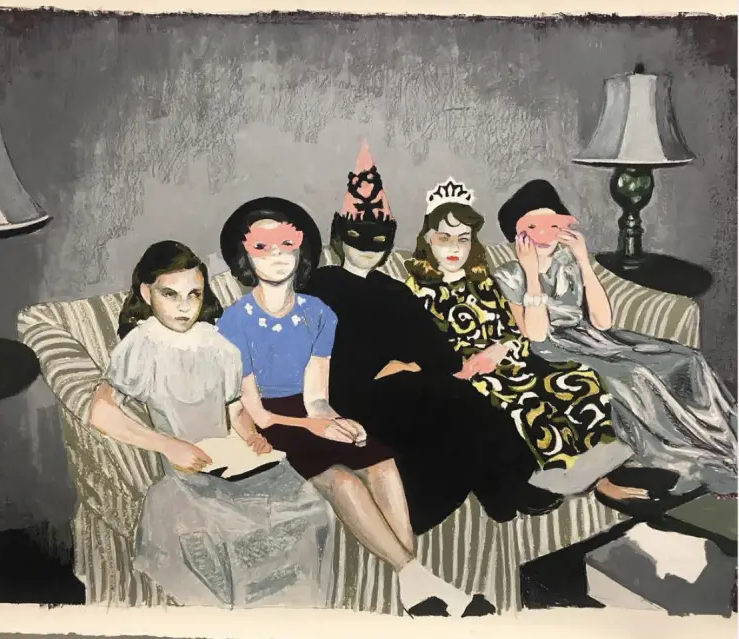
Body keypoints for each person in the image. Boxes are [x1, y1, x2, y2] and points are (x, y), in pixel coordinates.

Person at [217, 195, 496, 618]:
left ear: (301, 251)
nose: (276, 256)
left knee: (382, 464)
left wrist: (335, 419)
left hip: (314, 410)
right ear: (244, 256)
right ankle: (420, 583)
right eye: (262, 247)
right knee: (344, 482)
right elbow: (255, 411)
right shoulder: (235, 320)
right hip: (277, 419)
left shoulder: (319, 312)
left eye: (286, 245)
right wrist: (311, 427)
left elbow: (318, 393)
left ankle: (414, 585)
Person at [305, 141, 563, 536]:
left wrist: (408, 366)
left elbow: (439, 354)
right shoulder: (321, 285)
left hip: (408, 386)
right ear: (339, 236)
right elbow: (322, 355)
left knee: (460, 401)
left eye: (379, 238)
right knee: (452, 400)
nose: (368, 248)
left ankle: (506, 485)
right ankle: (495, 490)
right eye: (357, 236)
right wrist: (382, 369)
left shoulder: (395, 290)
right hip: (353, 395)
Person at [87, 241, 334, 609]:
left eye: (194, 294)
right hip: (188, 477)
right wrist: (167, 445)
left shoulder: (218, 343)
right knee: (224, 535)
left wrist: (251, 436)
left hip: (234, 465)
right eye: (170, 294)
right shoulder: (142, 345)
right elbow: (100, 411)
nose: (184, 306)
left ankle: (301, 614)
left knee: (316, 508)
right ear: (146, 293)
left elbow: (235, 409)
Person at [492, 179, 738, 501]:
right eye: (532, 228)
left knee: (686, 358)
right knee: (634, 373)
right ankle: (693, 462)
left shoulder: (568, 262)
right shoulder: (510, 273)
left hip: (591, 336)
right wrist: (531, 275)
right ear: (518, 235)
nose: (544, 235)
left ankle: (725, 446)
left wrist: (583, 261)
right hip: (551, 348)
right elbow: (535, 334)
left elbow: (603, 322)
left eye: (553, 225)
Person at [404, 177, 642, 502]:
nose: (454, 248)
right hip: (466, 369)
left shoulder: (482, 281)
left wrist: (502, 348)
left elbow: (514, 328)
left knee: (576, 379)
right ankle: (554, 478)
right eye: (445, 239)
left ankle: (601, 472)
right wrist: (458, 366)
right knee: (526, 401)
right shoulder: (417, 289)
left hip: (509, 356)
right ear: (428, 241)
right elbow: (420, 344)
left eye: (463, 239)